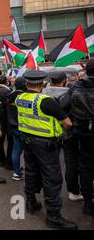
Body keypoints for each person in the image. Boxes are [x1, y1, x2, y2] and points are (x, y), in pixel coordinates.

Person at [15, 70, 77, 230]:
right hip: (46, 145)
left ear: (27, 83)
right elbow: (68, 123)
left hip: (27, 141)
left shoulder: (19, 98)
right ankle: (54, 217)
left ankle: (30, 202)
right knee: (52, 179)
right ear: (42, 83)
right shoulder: (46, 101)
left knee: (31, 172)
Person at [60, 59, 94, 219]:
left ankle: (88, 204)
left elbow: (63, 107)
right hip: (83, 132)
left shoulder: (75, 87)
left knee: (85, 167)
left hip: (83, 133)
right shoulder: (76, 86)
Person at [43, 71, 83, 202]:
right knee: (71, 162)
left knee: (50, 164)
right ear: (63, 81)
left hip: (49, 133)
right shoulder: (69, 93)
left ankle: (51, 193)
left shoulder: (43, 93)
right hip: (67, 132)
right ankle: (73, 192)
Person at [6, 77, 26, 181]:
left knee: (16, 150)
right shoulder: (24, 96)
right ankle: (29, 172)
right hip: (24, 127)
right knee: (27, 151)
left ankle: (16, 172)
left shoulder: (10, 95)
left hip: (13, 126)